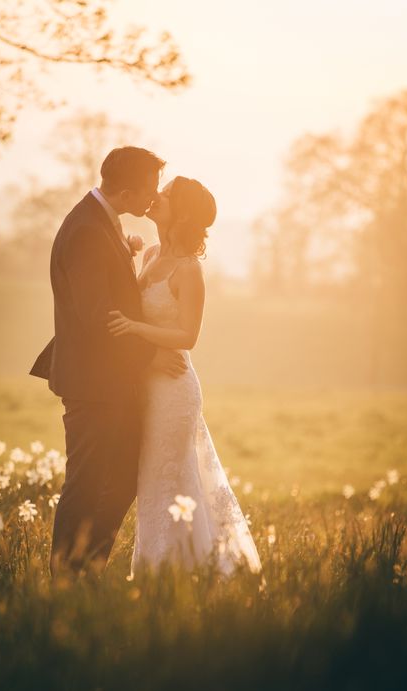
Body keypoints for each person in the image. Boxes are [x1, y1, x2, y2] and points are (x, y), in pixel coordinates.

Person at [30, 146, 187, 577]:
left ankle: (87, 569)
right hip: (93, 384)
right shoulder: (86, 229)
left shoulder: (100, 222)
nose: (153, 198)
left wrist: (127, 253)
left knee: (118, 481)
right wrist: (153, 355)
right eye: (150, 189)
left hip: (110, 383)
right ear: (128, 189)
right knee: (85, 483)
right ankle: (65, 579)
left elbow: (109, 291)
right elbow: (99, 315)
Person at [108, 176, 262, 576]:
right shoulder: (151, 253)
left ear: (184, 213)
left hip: (175, 390)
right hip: (147, 384)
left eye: (168, 194)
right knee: (152, 480)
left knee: (171, 479)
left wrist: (138, 331)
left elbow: (188, 336)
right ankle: (165, 569)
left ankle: (183, 572)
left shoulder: (189, 269)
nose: (156, 195)